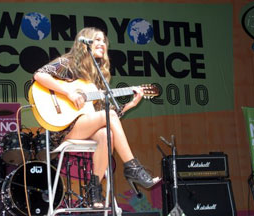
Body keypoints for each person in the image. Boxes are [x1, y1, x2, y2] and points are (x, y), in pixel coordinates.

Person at [32, 27, 161, 209]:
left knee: (106, 134)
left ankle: (94, 188)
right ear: (85, 43)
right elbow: (39, 75)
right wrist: (69, 93)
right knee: (108, 118)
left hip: (86, 124)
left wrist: (130, 105)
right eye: (97, 40)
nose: (102, 44)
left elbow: (105, 114)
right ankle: (133, 168)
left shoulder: (98, 75)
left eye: (104, 41)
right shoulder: (68, 63)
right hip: (64, 127)